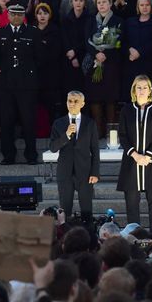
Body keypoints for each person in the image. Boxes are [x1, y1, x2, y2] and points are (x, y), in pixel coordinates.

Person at [117, 75, 152, 233]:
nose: (141, 90)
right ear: (134, 89)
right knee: (132, 205)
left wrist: (148, 156)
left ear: (150, 90)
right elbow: (123, 135)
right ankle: (135, 238)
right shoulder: (127, 110)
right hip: (132, 163)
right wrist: (135, 155)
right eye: (138, 87)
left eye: (144, 87)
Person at [0, 4, 41, 165]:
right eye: (13, 14)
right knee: (6, 121)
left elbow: (38, 58)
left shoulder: (33, 33)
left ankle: (31, 154)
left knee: (28, 120)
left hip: (27, 84)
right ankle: (8, 155)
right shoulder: (0, 33)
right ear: (7, 15)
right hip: (6, 84)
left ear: (23, 16)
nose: (16, 17)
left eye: (19, 14)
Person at [49, 90, 100, 220]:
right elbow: (53, 147)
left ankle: (89, 236)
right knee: (65, 210)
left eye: (75, 101)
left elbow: (95, 149)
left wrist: (95, 172)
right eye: (69, 101)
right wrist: (65, 135)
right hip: (65, 171)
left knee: (87, 209)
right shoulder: (58, 123)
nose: (72, 104)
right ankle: (65, 237)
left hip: (85, 171)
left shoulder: (90, 123)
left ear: (82, 104)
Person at [84, 0, 123, 137]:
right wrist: (96, 54)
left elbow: (119, 42)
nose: (101, 5)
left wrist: (106, 54)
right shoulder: (90, 21)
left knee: (111, 99)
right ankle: (98, 133)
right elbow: (86, 41)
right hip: (94, 64)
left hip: (111, 63)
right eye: (99, 3)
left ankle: (112, 135)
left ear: (110, 3)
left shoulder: (118, 20)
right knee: (95, 98)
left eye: (104, 2)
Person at [121, 0, 152, 101]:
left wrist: (140, 52)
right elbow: (123, 40)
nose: (144, 7)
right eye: (142, 5)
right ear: (138, 7)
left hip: (151, 64)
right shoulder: (129, 22)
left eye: (147, 5)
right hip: (132, 63)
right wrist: (129, 50)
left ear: (151, 6)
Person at [33, 3, 63, 124]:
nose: (42, 16)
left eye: (45, 13)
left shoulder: (55, 30)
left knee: (51, 102)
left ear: (49, 15)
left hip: (51, 72)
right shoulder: (31, 29)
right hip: (35, 72)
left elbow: (56, 51)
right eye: (39, 13)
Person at [61, 0, 90, 95]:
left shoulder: (90, 18)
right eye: (76, 0)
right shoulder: (65, 19)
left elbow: (88, 38)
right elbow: (64, 38)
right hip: (68, 57)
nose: (78, 3)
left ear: (85, 2)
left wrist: (75, 52)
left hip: (84, 56)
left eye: (81, 0)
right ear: (71, 2)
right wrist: (71, 55)